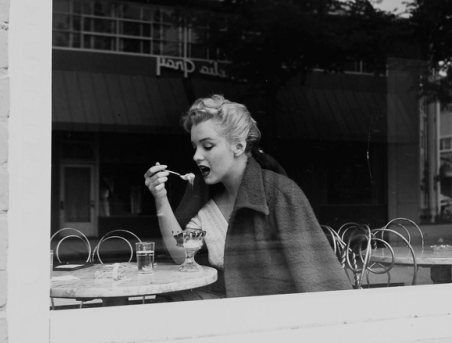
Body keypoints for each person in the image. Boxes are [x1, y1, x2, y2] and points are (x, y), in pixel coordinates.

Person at [144, 95, 352, 299]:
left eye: (207, 146)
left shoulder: (279, 193)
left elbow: (317, 277)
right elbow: (183, 256)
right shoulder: (203, 199)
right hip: (224, 308)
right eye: (195, 147)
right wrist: (160, 198)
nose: (196, 156)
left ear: (239, 146)